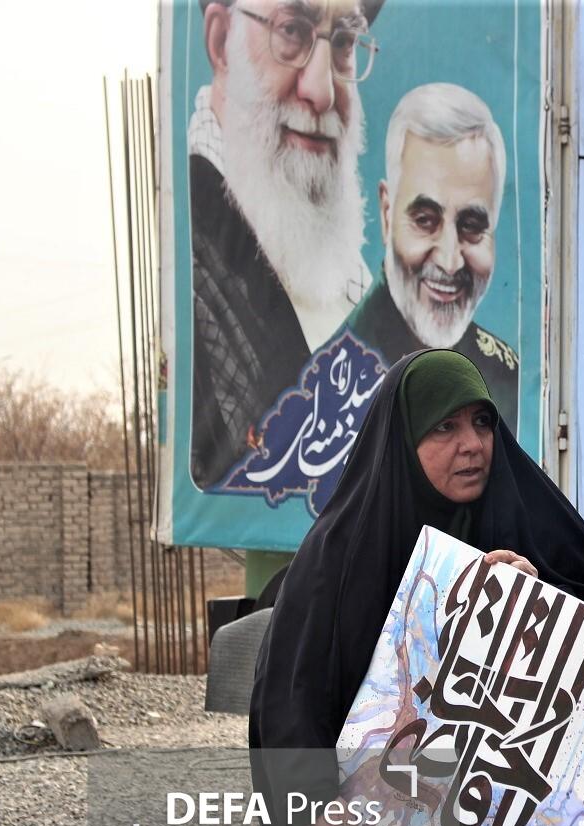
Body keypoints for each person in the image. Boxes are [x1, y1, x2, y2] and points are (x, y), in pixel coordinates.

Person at [249, 349, 584, 826]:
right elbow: (290, 698)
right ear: (403, 439)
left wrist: (536, 603)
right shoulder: (341, 558)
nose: (472, 444)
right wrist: (313, 807)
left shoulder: (536, 529)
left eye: (482, 423)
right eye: (443, 428)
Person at [189, 0, 379, 488]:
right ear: (220, 43)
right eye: (292, 31)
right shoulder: (194, 257)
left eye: (343, 43)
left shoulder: (330, 255)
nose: (321, 90)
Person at [345, 82, 520, 433]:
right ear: (386, 215)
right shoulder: (335, 381)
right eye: (425, 220)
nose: (450, 261)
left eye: (472, 226)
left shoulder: (506, 380)